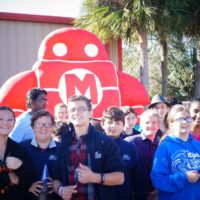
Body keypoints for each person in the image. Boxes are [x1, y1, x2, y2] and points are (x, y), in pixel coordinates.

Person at [53, 95, 124, 200]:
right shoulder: (63, 142)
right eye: (72, 110)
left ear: (91, 113)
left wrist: (94, 177)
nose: (76, 112)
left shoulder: (105, 142)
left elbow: (120, 178)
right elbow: (56, 178)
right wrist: (60, 190)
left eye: (81, 109)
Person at [150, 105, 200, 200]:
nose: (185, 122)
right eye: (180, 119)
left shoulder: (198, 145)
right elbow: (158, 179)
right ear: (171, 124)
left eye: (188, 118)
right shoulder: (165, 147)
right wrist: (184, 178)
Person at [101, 106, 147, 200]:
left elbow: (140, 179)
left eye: (118, 123)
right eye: (110, 122)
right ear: (102, 124)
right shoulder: (94, 146)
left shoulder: (131, 148)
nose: (113, 126)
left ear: (123, 125)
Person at [21, 110, 60, 200]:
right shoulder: (22, 148)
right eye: (38, 124)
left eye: (47, 124)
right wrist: (28, 185)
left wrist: (58, 183)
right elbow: (13, 175)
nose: (43, 127)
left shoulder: (62, 149)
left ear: (53, 127)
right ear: (32, 127)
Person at [125, 109, 160, 200]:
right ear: (140, 124)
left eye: (154, 122)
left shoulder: (161, 144)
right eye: (147, 122)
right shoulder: (130, 142)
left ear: (158, 125)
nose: (150, 125)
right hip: (134, 194)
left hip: (157, 194)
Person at [0, 106, 31, 200]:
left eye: (10, 119)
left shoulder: (19, 149)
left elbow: (30, 181)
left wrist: (21, 166)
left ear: (14, 123)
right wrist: (8, 177)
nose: (5, 123)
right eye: (0, 119)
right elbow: (13, 179)